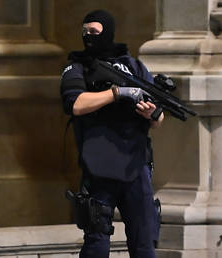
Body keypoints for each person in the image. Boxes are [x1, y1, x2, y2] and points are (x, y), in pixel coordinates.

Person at [60, 10, 162, 258]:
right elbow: (75, 103)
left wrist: (151, 113)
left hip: (136, 166)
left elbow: (159, 116)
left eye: (94, 32)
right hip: (98, 167)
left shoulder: (133, 65)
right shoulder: (78, 66)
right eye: (85, 32)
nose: (89, 38)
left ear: (108, 32)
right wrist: (116, 94)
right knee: (96, 245)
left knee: (145, 243)